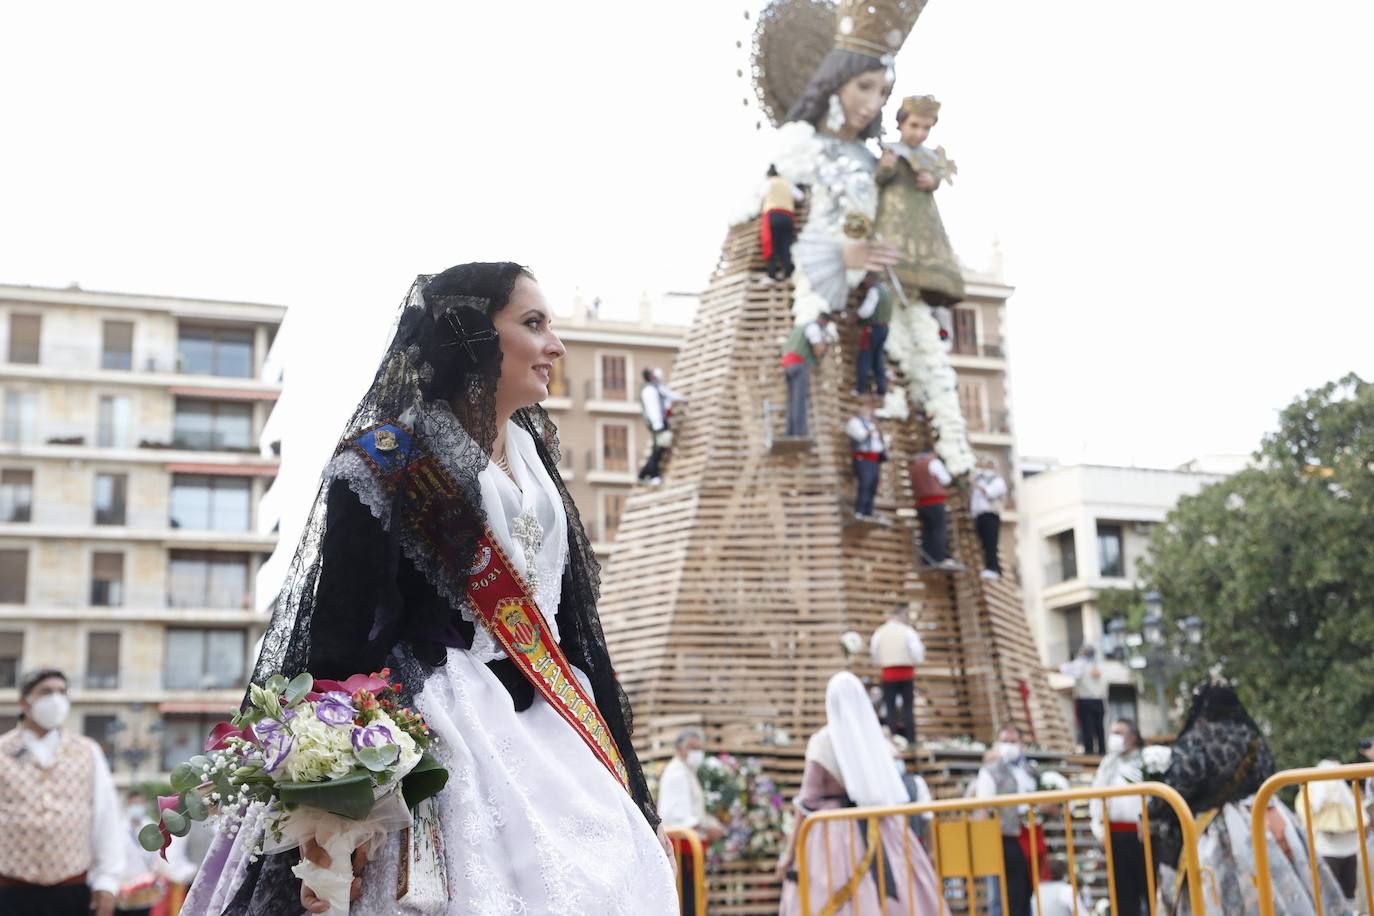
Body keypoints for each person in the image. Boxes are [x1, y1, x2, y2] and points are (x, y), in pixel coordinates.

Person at [183, 264, 677, 914]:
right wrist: (339, 800)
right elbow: (337, 638)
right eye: (533, 324)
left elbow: (576, 633)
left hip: (560, 729)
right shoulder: (386, 460)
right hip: (443, 735)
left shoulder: (534, 464)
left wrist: (635, 790)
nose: (555, 345)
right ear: (472, 336)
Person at [1148, 681, 1347, 915]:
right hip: (1264, 815)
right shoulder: (1252, 735)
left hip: (1217, 828)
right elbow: (1268, 771)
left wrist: (1152, 810)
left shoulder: (1197, 738)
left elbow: (1182, 782)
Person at [775, 672, 944, 915]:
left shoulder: (823, 741)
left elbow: (806, 802)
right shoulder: (875, 739)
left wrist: (789, 854)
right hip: (882, 826)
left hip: (831, 832)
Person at [0, 668, 123, 916]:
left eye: (61, 692)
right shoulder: (3, 750)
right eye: (46, 692)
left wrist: (107, 881)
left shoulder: (87, 751)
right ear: (25, 701)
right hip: (10, 889)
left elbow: (105, 817)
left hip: (72, 888)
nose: (55, 700)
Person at [873, 94, 964, 310]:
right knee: (891, 267)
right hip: (895, 215)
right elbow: (878, 181)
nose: (919, 133)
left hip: (923, 218)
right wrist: (886, 167)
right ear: (901, 123)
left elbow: (940, 176)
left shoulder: (932, 156)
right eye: (914, 126)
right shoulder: (891, 150)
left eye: (926, 128)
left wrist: (933, 181)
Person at [657, 728, 725, 916]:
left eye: (700, 749)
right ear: (680, 749)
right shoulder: (676, 773)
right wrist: (706, 828)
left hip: (690, 847)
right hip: (682, 848)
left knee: (694, 900)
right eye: (692, 748)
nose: (697, 753)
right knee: (687, 903)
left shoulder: (687, 772)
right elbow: (677, 816)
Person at [974, 724, 1039, 916]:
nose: (1009, 745)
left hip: (1031, 836)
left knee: (1028, 890)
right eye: (1005, 741)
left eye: (1013, 741)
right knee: (1003, 894)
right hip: (1003, 837)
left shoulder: (1030, 771)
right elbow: (983, 808)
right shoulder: (990, 771)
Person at [1089, 719, 1148, 916]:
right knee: (1122, 894)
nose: (1113, 737)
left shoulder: (1147, 760)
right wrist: (1099, 830)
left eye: (1119, 732)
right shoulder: (1108, 764)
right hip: (1114, 836)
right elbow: (1096, 798)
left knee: (1149, 888)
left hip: (1143, 836)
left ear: (1132, 737)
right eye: (1112, 732)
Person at [1296, 760, 1362, 902]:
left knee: (1337, 893)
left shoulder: (1321, 787)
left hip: (1337, 848)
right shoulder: (1326, 787)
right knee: (1342, 891)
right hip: (1330, 848)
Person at [869, 605, 926, 743]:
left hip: (888, 674)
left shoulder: (880, 632)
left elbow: (874, 653)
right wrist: (913, 662)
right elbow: (917, 653)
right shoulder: (908, 631)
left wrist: (883, 662)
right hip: (906, 673)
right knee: (908, 708)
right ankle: (911, 740)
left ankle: (891, 739)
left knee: (890, 708)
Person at [780, 311, 833, 438]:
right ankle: (799, 432)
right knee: (799, 400)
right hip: (799, 365)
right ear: (824, 321)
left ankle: (790, 432)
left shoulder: (798, 329)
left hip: (788, 365)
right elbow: (818, 350)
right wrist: (825, 346)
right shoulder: (813, 328)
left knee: (792, 400)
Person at [909, 449, 958, 569]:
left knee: (928, 532)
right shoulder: (933, 463)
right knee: (939, 530)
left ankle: (928, 560)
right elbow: (946, 479)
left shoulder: (915, 467)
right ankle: (940, 558)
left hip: (921, 504)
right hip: (935, 501)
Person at [1059, 645, 1108, 755]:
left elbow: (1064, 668)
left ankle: (1089, 752)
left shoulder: (1081, 664)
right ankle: (1102, 751)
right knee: (1099, 728)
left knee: (1088, 727)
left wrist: (1045, 668)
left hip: (1086, 700)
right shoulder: (1100, 665)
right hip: (1099, 701)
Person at [759, 164, 804, 282]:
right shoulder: (787, 184)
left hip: (773, 215)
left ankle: (771, 275)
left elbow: (761, 195)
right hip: (788, 216)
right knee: (785, 245)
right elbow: (800, 196)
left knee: (771, 244)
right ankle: (788, 273)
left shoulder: (769, 183)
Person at [847, 395, 886, 520]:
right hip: (862, 459)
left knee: (873, 485)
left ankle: (868, 511)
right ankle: (859, 511)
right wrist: (872, 428)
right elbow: (860, 436)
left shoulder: (871, 424)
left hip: (873, 460)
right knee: (865, 483)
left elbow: (879, 445)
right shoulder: (854, 422)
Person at [854, 274, 893, 397]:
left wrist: (854, 315)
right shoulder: (887, 291)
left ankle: (861, 388)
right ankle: (881, 390)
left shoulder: (874, 291)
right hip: (885, 328)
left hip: (873, 328)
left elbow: (866, 312)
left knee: (865, 358)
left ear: (871, 278)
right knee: (878, 359)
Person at [971, 457, 1008, 579]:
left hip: (991, 515)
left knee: (990, 543)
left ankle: (993, 568)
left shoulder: (998, 481)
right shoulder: (979, 479)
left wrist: (975, 483)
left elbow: (989, 492)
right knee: (984, 543)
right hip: (979, 515)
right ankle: (992, 568)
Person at [639, 367, 669, 485]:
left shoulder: (651, 389)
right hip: (657, 425)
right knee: (657, 451)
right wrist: (659, 425)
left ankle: (644, 474)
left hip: (657, 424)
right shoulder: (650, 391)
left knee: (657, 450)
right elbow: (654, 410)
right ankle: (651, 474)